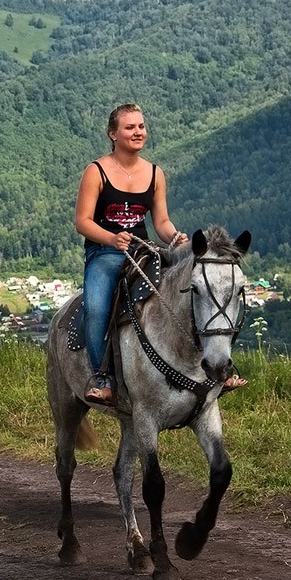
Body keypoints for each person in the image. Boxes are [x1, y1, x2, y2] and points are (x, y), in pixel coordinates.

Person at [74, 103, 245, 405]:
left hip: (143, 250)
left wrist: (174, 237)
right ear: (113, 133)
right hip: (105, 252)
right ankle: (102, 377)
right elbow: (83, 222)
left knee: (189, 292)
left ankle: (218, 368)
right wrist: (112, 239)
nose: (138, 131)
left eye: (141, 126)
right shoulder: (96, 171)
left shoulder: (154, 173)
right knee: (97, 308)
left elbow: (161, 223)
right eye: (130, 127)